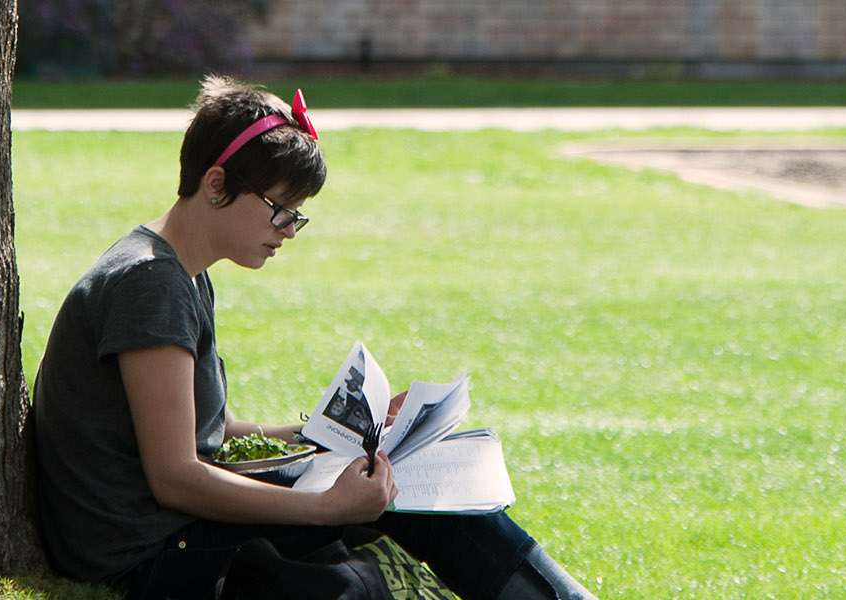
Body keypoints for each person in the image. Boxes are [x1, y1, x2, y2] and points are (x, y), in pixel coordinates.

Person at [31, 75, 597, 600]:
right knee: (404, 517)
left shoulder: (176, 270)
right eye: (282, 211)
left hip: (171, 530)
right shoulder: (149, 284)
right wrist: (327, 507)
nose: (287, 232)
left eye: (296, 217)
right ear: (217, 183)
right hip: (149, 553)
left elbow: (211, 431)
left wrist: (327, 432)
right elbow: (177, 477)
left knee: (413, 486)